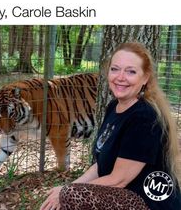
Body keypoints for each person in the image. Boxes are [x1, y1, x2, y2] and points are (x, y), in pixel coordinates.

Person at [40, 42, 181, 210]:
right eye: (115, 69)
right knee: (67, 193)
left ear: (145, 77)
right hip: (123, 195)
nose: (120, 77)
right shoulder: (114, 107)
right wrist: (67, 187)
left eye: (131, 71)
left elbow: (118, 180)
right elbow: (101, 165)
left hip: (149, 203)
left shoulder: (144, 117)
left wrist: (67, 191)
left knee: (72, 195)